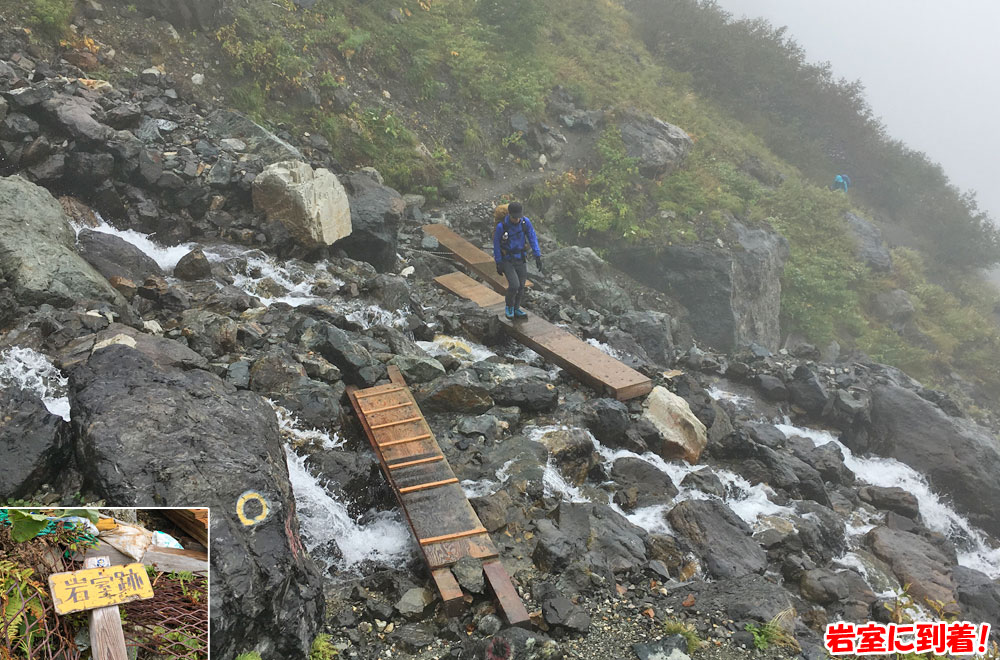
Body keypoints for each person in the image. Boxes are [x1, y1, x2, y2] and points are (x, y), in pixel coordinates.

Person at [493, 201, 542, 320]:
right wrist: (498, 262)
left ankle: (516, 308)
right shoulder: (502, 226)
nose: (517, 220)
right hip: (507, 260)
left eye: (518, 217)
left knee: (521, 286)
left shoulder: (525, 222)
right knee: (514, 285)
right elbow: (496, 245)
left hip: (520, 258)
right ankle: (509, 307)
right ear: (509, 214)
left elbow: (532, 237)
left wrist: (537, 255)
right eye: (514, 217)